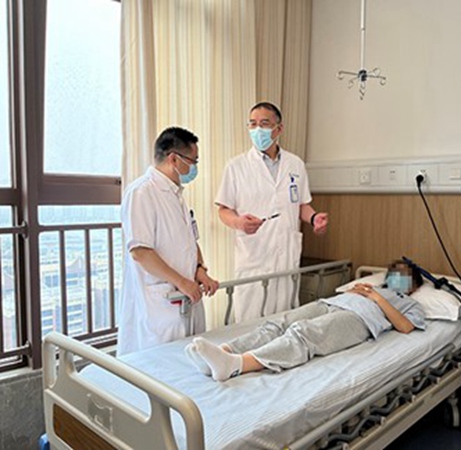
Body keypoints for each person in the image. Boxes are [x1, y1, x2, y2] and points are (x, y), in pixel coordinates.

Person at [185, 262, 426, 381]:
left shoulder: (409, 302)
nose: (396, 277)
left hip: (360, 319)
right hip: (333, 303)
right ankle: (223, 352)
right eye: (394, 273)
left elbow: (405, 327)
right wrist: (356, 291)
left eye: (403, 275)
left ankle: (236, 364)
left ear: (413, 285)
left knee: (304, 333)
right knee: (280, 323)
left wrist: (376, 298)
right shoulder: (371, 285)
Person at [215, 101, 328, 323]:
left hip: (286, 256)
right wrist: (239, 223)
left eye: (264, 124)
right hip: (254, 256)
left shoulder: (295, 164)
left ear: (279, 128)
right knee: (250, 323)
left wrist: (314, 218)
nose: (257, 129)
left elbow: (301, 205)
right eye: (252, 124)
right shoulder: (236, 166)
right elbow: (223, 209)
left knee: (285, 320)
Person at [117, 127, 219, 355]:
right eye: (193, 161)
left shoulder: (176, 195)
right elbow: (140, 252)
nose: (194, 167)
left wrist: (200, 271)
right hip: (159, 305)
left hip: (183, 297)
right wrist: (182, 282)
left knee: (188, 360)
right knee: (157, 365)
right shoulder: (141, 192)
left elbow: (191, 242)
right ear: (174, 159)